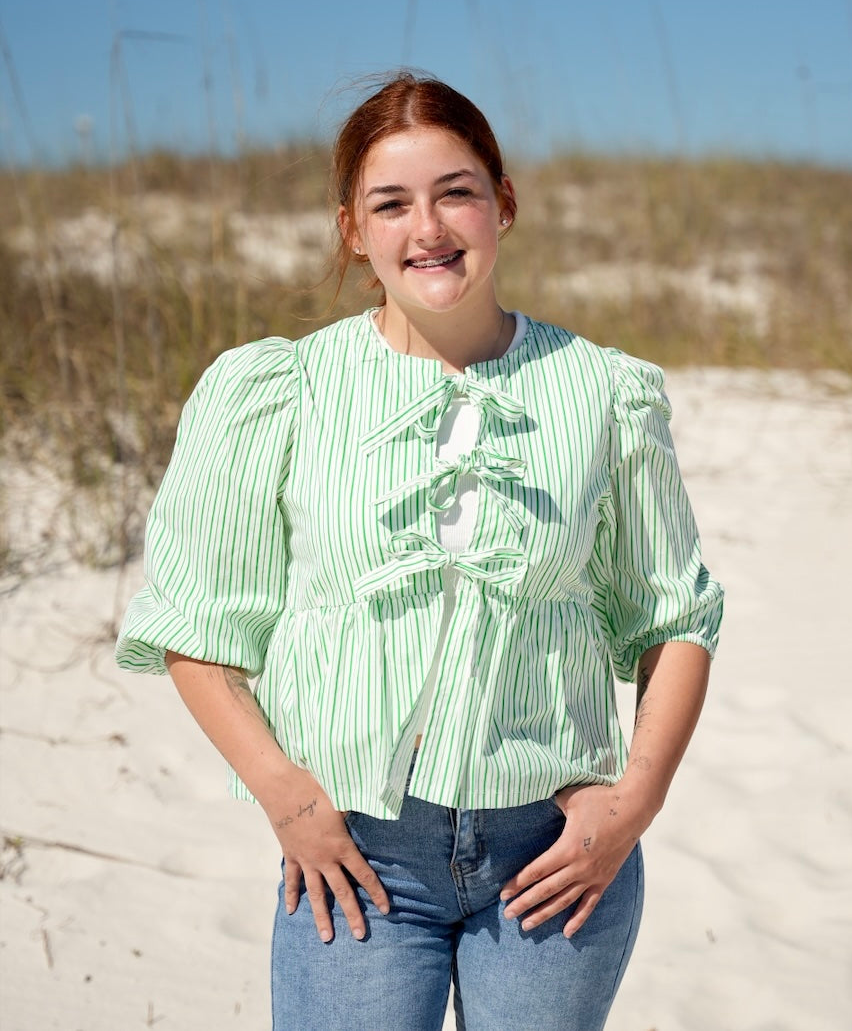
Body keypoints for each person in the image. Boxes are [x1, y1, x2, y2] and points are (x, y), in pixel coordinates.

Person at [116, 72, 723, 1031]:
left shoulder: (604, 392)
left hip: (554, 852)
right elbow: (196, 629)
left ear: (503, 204)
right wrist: (288, 800)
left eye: (456, 192)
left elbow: (676, 617)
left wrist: (634, 802)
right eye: (391, 203)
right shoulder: (278, 390)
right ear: (353, 229)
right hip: (357, 859)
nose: (428, 227)